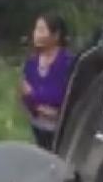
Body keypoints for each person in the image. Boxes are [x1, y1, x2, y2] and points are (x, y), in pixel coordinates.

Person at [21, 13, 74, 150]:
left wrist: (35, 96)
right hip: (37, 128)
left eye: (41, 30)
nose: (36, 34)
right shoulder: (31, 63)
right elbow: (25, 97)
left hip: (62, 133)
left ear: (55, 35)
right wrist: (39, 106)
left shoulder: (68, 63)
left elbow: (62, 97)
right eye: (35, 29)